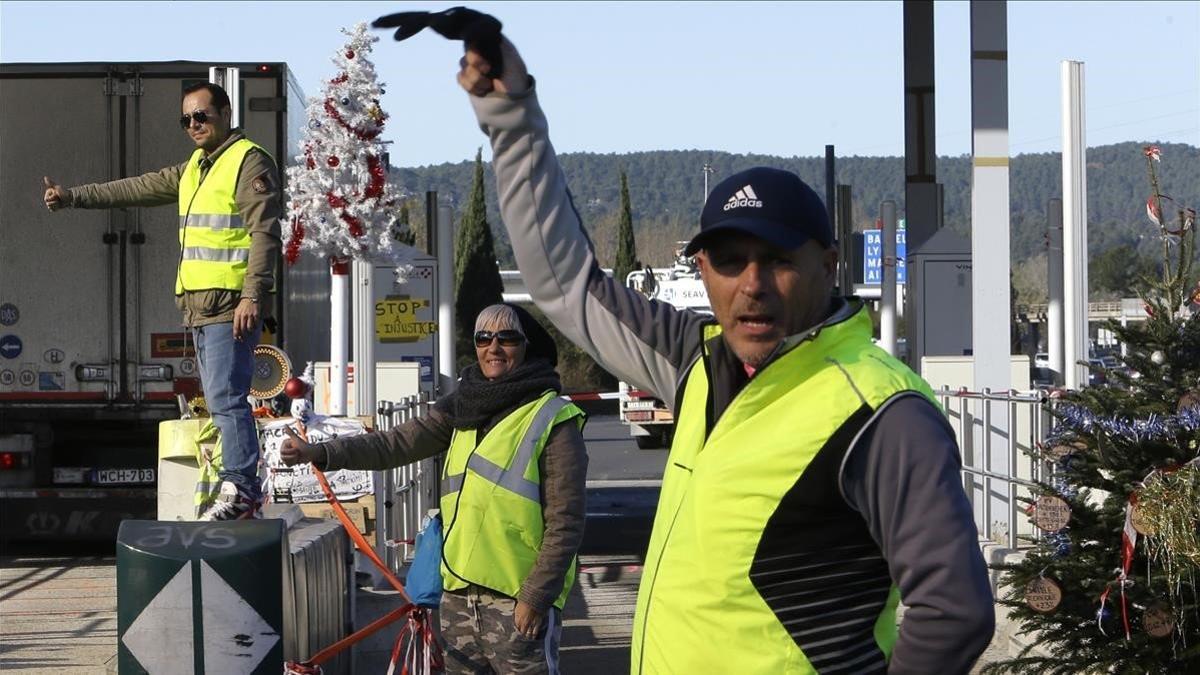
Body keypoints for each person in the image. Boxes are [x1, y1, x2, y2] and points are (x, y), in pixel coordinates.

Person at [452, 36, 995, 674]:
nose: (753, 285)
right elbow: (565, 285)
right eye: (730, 262)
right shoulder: (697, 361)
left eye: (779, 261)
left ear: (828, 265)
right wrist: (511, 115)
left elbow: (954, 609)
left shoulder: (881, 410)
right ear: (703, 269)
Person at [280, 303, 588, 675]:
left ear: (526, 347)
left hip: (517, 601)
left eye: (507, 338)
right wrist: (321, 452)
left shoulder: (552, 416)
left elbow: (566, 522)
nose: (494, 347)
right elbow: (393, 444)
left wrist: (537, 596)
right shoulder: (462, 407)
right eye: (483, 338)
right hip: (459, 597)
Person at [43, 82, 280, 521]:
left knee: (228, 399)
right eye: (186, 119)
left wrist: (253, 295)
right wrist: (73, 196)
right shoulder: (196, 167)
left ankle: (244, 490)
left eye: (202, 116)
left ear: (225, 113)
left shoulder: (247, 161)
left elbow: (264, 233)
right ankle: (239, 487)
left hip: (231, 305)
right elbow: (136, 187)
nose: (193, 125)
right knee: (220, 398)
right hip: (201, 307)